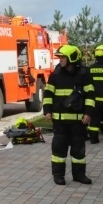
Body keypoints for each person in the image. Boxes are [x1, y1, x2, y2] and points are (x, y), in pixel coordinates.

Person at [43, 44, 95, 185]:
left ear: (72, 58)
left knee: (78, 150)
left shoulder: (84, 74)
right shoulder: (56, 74)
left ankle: (79, 175)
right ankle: (58, 175)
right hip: (60, 122)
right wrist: (47, 110)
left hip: (78, 121)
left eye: (63, 57)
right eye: (60, 57)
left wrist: (88, 113)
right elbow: (48, 93)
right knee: (59, 149)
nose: (60, 60)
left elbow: (90, 95)